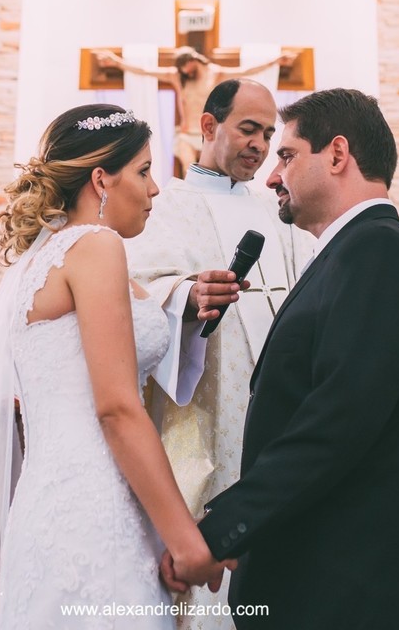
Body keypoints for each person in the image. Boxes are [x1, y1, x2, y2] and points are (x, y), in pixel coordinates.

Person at [0, 105, 231, 629]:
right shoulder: (96, 247)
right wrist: (184, 539)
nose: (155, 191)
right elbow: (117, 410)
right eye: (145, 172)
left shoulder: (45, 258)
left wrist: (191, 299)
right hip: (96, 511)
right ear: (101, 179)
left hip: (49, 503)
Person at [162, 88, 399, 629]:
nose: (273, 176)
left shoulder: (379, 253)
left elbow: (338, 420)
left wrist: (224, 527)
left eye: (288, 155)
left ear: (338, 155)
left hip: (354, 589)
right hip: (331, 581)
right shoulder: (351, 254)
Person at [124, 79, 313, 629]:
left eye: (267, 134)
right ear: (208, 127)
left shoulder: (279, 212)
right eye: (247, 129)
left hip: (282, 407)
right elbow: (133, 288)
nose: (259, 145)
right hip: (207, 411)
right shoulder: (166, 205)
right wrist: (186, 295)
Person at [96, 47, 295, 170]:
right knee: (190, 170)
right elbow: (146, 71)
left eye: (184, 66)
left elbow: (246, 71)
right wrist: (117, 62)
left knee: (216, 171)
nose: (183, 71)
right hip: (185, 134)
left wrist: (275, 61)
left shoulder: (214, 73)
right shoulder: (177, 76)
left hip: (208, 134)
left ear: (192, 60)